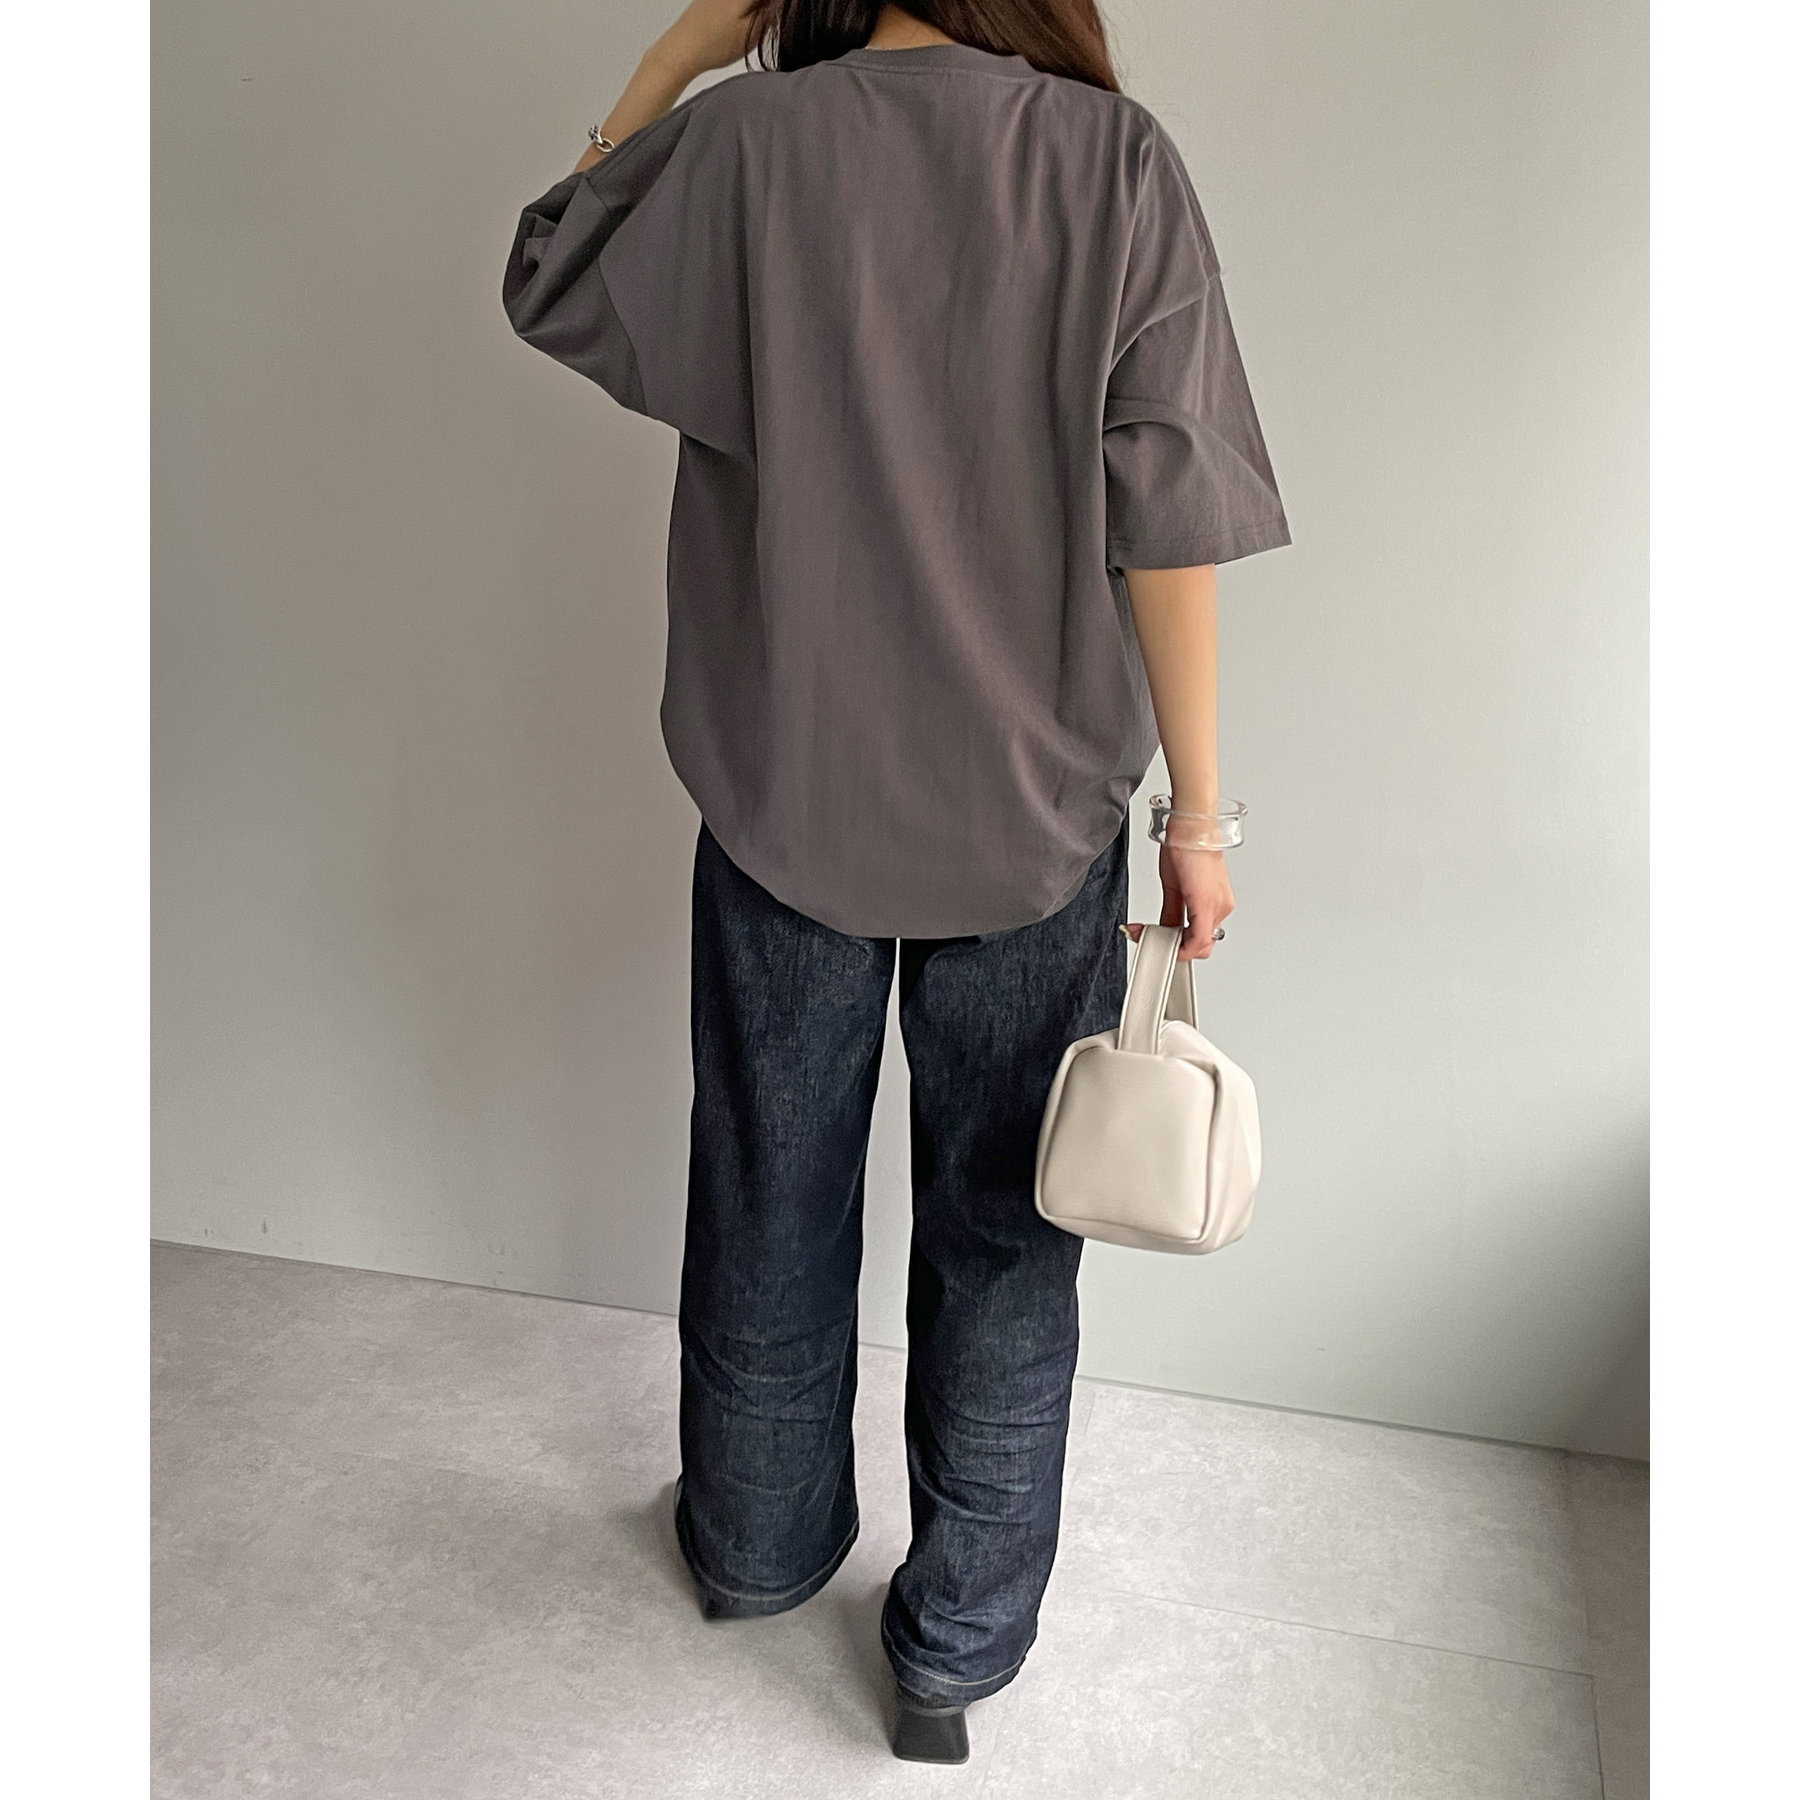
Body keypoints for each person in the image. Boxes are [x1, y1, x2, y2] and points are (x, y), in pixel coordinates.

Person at [503, 0, 1288, 1764]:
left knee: (766, 1193)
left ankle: (754, 1547)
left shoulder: (745, 148)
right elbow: (1168, 518)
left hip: (788, 789)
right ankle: (954, 1653)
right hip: (1034, 812)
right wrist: (1200, 817)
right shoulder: (1114, 163)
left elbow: (552, 278)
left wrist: (679, 59)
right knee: (1007, 1239)